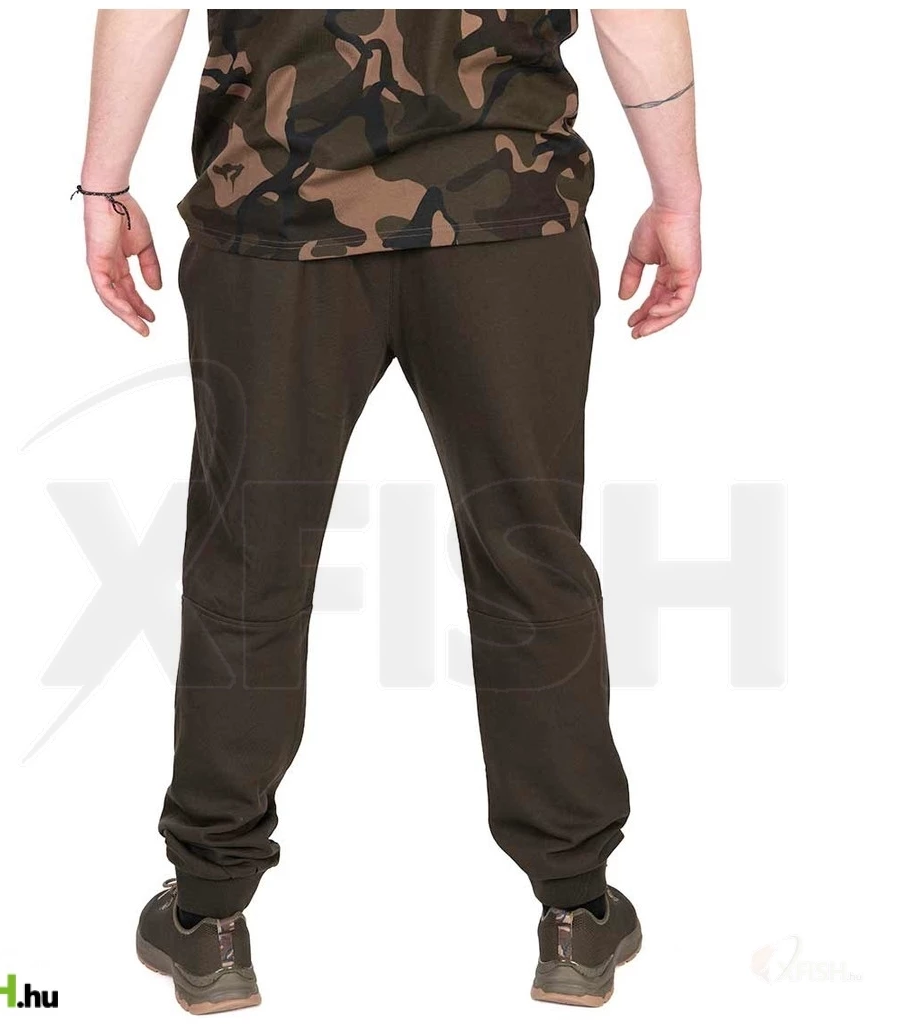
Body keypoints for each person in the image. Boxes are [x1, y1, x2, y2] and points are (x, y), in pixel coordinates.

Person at [75, 9, 700, 1012]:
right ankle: (576, 909)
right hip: (505, 219)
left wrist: (104, 184)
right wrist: (677, 194)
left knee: (250, 565)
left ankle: (209, 916)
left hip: (277, 220)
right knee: (529, 561)